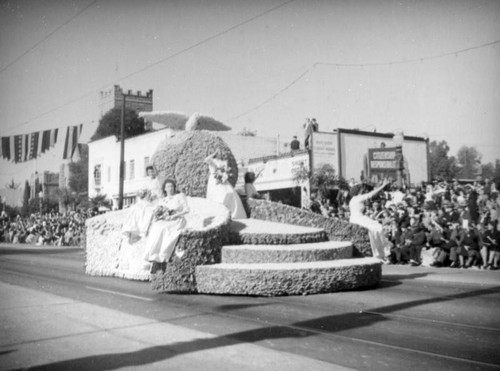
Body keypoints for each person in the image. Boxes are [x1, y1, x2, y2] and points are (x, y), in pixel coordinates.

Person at [143, 179, 189, 263]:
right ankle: (151, 254)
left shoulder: (180, 196)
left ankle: (162, 255)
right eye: (168, 186)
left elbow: (187, 210)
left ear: (174, 187)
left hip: (178, 219)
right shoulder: (163, 200)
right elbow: (160, 211)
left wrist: (174, 216)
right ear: (165, 188)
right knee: (155, 227)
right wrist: (160, 216)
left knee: (163, 228)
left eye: (172, 186)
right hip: (167, 220)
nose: (170, 188)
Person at [349, 178, 391, 260]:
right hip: (358, 218)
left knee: (374, 230)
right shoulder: (358, 197)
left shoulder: (353, 199)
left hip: (355, 218)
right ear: (358, 190)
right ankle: (381, 252)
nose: (363, 190)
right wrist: (383, 185)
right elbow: (371, 194)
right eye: (362, 189)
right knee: (378, 227)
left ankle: (379, 252)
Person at [122, 165, 163, 240]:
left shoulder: (158, 180)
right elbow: (146, 192)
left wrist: (154, 196)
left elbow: (160, 192)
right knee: (136, 207)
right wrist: (142, 195)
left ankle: (141, 230)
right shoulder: (147, 182)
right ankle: (130, 228)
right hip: (149, 199)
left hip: (157, 199)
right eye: (149, 172)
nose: (151, 173)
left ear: (154, 172)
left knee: (146, 209)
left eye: (152, 171)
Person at [205, 151, 247, 219]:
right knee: (216, 196)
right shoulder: (211, 160)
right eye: (217, 154)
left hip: (222, 179)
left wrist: (224, 175)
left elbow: (226, 170)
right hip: (213, 179)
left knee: (230, 193)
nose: (219, 154)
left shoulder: (223, 161)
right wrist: (214, 153)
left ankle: (232, 213)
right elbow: (206, 159)